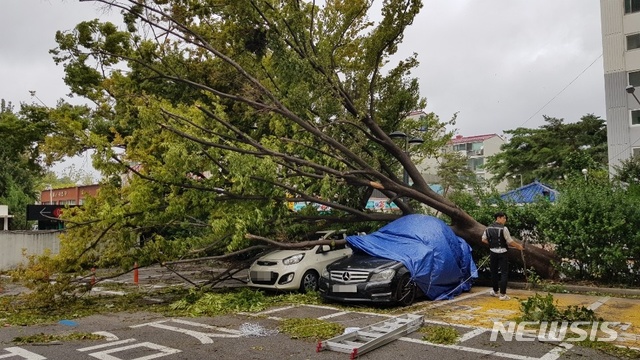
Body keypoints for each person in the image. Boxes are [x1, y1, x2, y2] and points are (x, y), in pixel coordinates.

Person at [481, 211, 524, 301]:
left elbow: (483, 240)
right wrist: (519, 247)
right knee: (504, 273)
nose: (505, 220)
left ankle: (495, 291)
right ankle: (503, 295)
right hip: (502, 252)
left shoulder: (488, 228)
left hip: (493, 252)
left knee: (494, 272)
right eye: (504, 218)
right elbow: (510, 241)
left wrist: (492, 244)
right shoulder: (504, 229)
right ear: (498, 218)